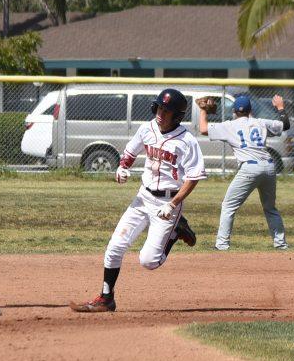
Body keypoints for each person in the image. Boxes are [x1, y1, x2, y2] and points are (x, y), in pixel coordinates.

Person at [70, 88, 205, 313]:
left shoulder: (187, 141)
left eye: (167, 110)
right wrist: (122, 167)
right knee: (114, 247)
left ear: (178, 116)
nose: (161, 113)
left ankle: (176, 231)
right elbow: (130, 153)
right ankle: (106, 298)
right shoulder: (147, 128)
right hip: (143, 198)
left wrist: (173, 205)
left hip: (168, 203)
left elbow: (193, 178)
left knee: (149, 261)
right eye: (159, 108)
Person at [198, 94, 288, 250]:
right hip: (269, 167)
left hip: (249, 168)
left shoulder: (229, 125)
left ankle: (222, 245)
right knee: (270, 208)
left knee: (228, 206)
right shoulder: (261, 123)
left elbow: (203, 129)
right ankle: (281, 244)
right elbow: (285, 124)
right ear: (250, 110)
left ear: (234, 111)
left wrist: (203, 110)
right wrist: (280, 107)